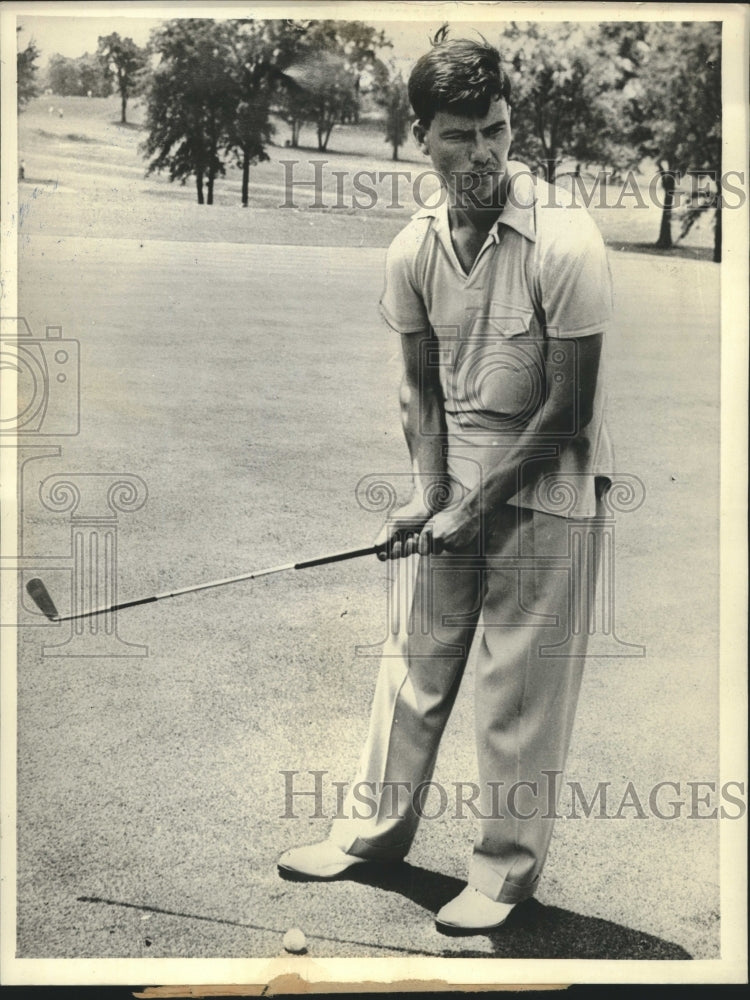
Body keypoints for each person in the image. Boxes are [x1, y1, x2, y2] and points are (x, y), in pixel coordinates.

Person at [277, 29, 614, 935]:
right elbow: (418, 384)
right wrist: (428, 492)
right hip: (458, 479)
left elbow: (568, 412)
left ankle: (503, 874)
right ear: (419, 135)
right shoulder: (412, 248)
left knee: (515, 685)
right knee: (412, 662)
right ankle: (370, 835)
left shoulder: (566, 241)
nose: (484, 154)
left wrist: (475, 502)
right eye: (461, 135)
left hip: (549, 487)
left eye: (497, 129)